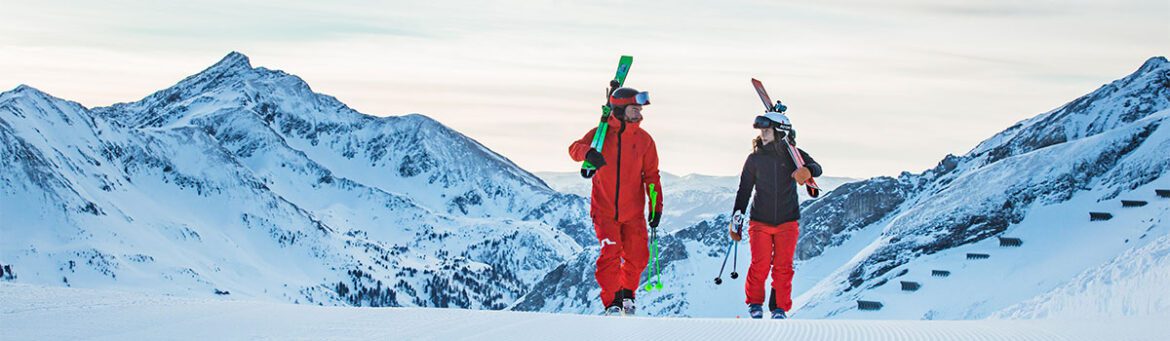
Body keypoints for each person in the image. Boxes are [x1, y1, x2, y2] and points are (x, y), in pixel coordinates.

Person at [568, 87, 663, 316]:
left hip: (633, 212)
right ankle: (612, 302)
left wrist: (655, 206)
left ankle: (627, 293)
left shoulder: (644, 140)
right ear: (619, 110)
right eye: (634, 109)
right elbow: (574, 149)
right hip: (604, 209)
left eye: (640, 109)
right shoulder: (600, 134)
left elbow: (651, 176)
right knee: (610, 255)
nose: (639, 114)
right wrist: (588, 153)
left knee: (639, 256)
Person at [729, 111, 822, 319]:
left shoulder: (793, 155)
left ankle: (779, 308)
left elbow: (818, 168)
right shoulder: (754, 159)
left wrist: (807, 170)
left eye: (767, 130)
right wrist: (736, 219)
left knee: (783, 267)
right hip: (760, 221)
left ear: (779, 131)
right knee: (759, 264)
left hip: (787, 221)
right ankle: (755, 304)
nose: (763, 133)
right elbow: (744, 190)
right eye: (761, 130)